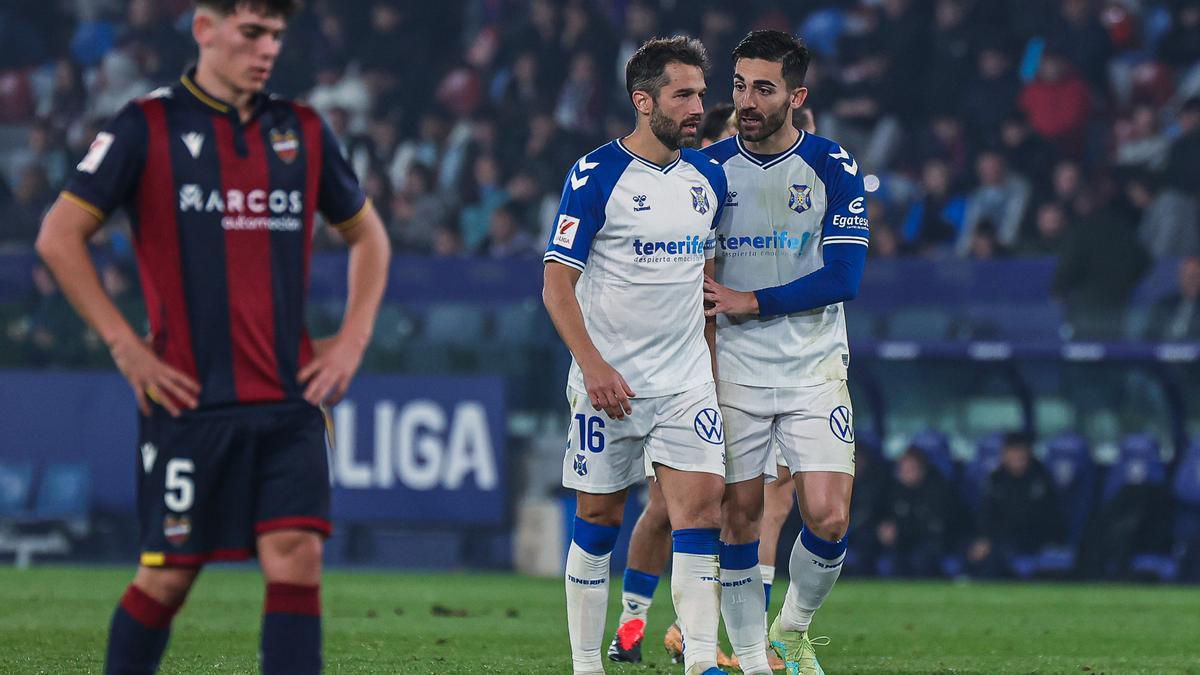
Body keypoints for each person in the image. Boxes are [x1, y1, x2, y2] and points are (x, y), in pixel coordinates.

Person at [34, 2, 391, 673]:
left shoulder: (303, 129)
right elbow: (58, 235)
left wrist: (351, 339)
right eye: (251, 33)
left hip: (290, 401)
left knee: (298, 557)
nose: (266, 50)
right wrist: (123, 344)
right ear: (205, 30)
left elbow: (368, 234)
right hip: (189, 400)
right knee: (167, 578)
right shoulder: (148, 125)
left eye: (276, 36)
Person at [541, 36, 729, 675]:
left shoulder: (708, 178)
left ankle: (701, 661)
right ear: (643, 101)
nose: (697, 106)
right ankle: (585, 664)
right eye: (683, 95)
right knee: (599, 519)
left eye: (701, 94)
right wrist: (592, 365)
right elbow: (555, 285)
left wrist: (710, 370)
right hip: (610, 384)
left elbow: (704, 285)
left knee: (700, 513)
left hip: (684, 383)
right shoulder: (596, 175)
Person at [700, 30, 868, 674]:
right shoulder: (708, 172)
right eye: (739, 85)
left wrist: (753, 300)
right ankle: (748, 654)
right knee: (739, 517)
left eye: (763, 88)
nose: (746, 100)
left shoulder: (833, 165)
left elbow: (844, 279)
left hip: (813, 367)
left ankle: (789, 630)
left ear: (796, 95)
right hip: (736, 369)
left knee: (827, 516)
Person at [967, 433, 1061, 577]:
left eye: (1020, 453)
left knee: (999, 553)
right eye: (1012, 452)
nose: (1016, 458)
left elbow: (1043, 517)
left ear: (1028, 453)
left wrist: (994, 539)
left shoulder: (1041, 479)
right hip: (1000, 539)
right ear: (1004, 455)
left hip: (1033, 538)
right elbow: (987, 513)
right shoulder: (996, 479)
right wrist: (984, 538)